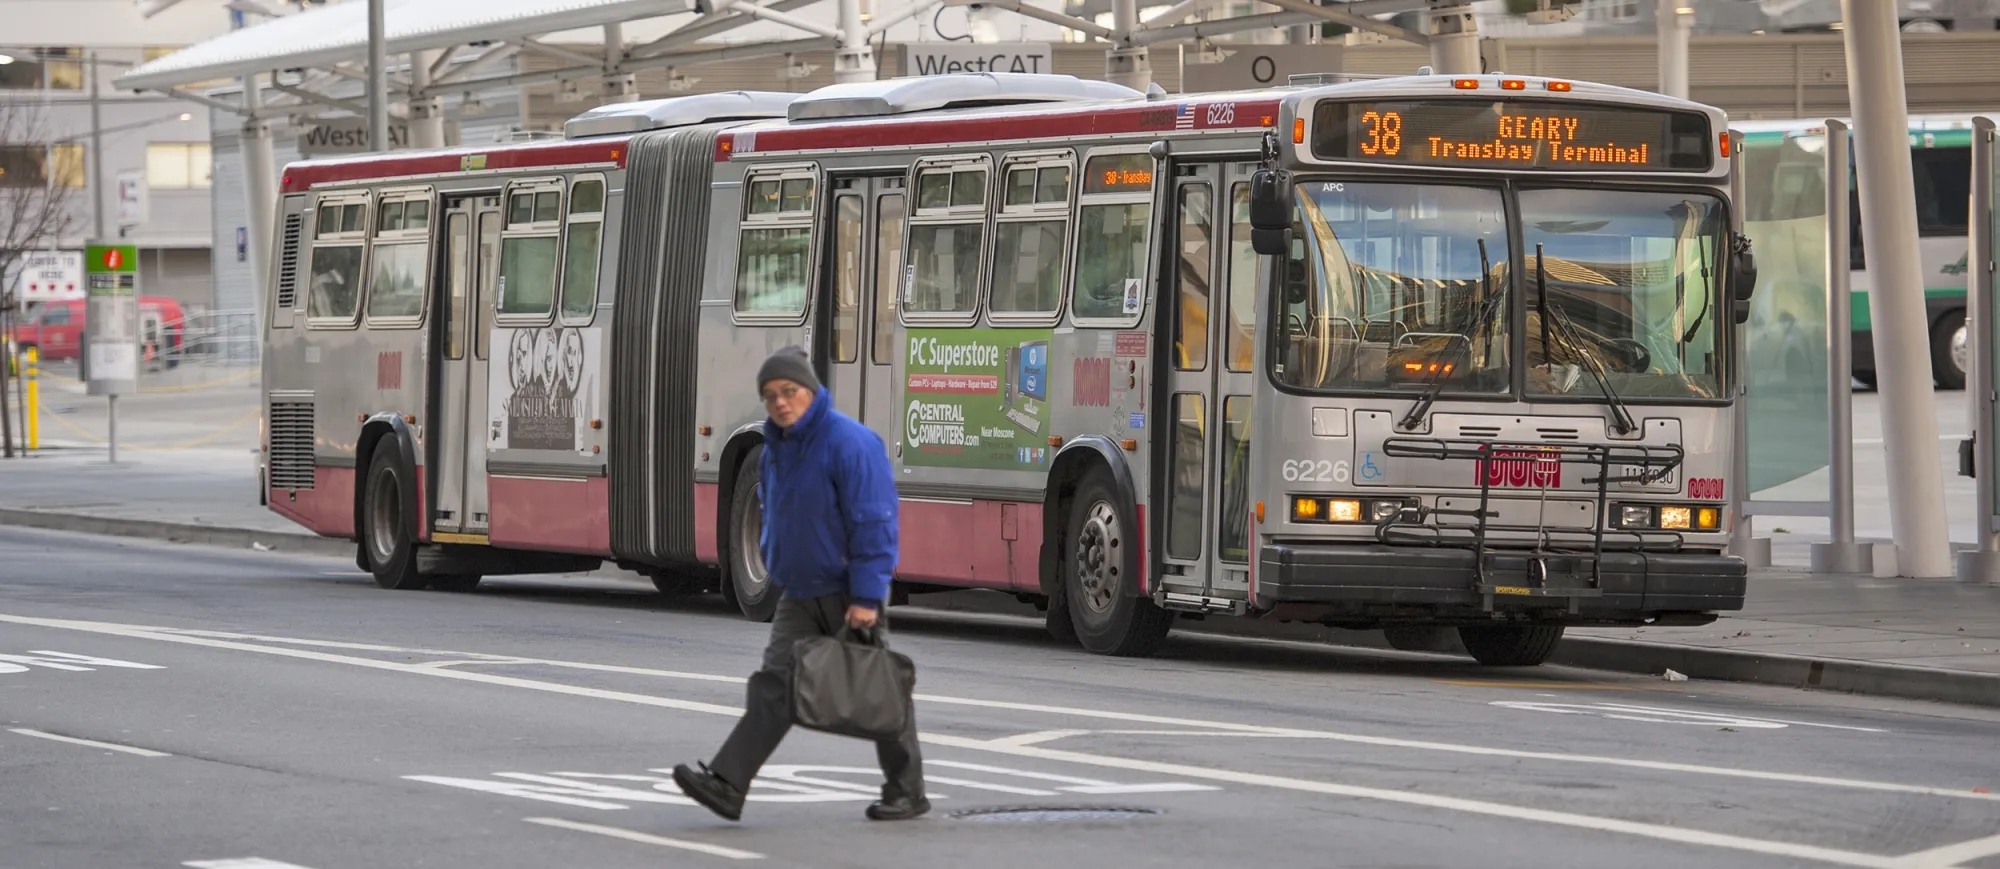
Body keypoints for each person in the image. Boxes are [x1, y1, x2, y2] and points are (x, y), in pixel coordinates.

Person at [673, 346, 928, 822]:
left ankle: (907, 789)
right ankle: (728, 784)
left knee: (877, 688)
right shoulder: (775, 450)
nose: (780, 403)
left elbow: (875, 522)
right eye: (770, 396)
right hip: (799, 591)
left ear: (810, 391)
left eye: (789, 392)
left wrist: (868, 596)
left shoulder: (851, 443)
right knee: (774, 686)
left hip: (849, 590)